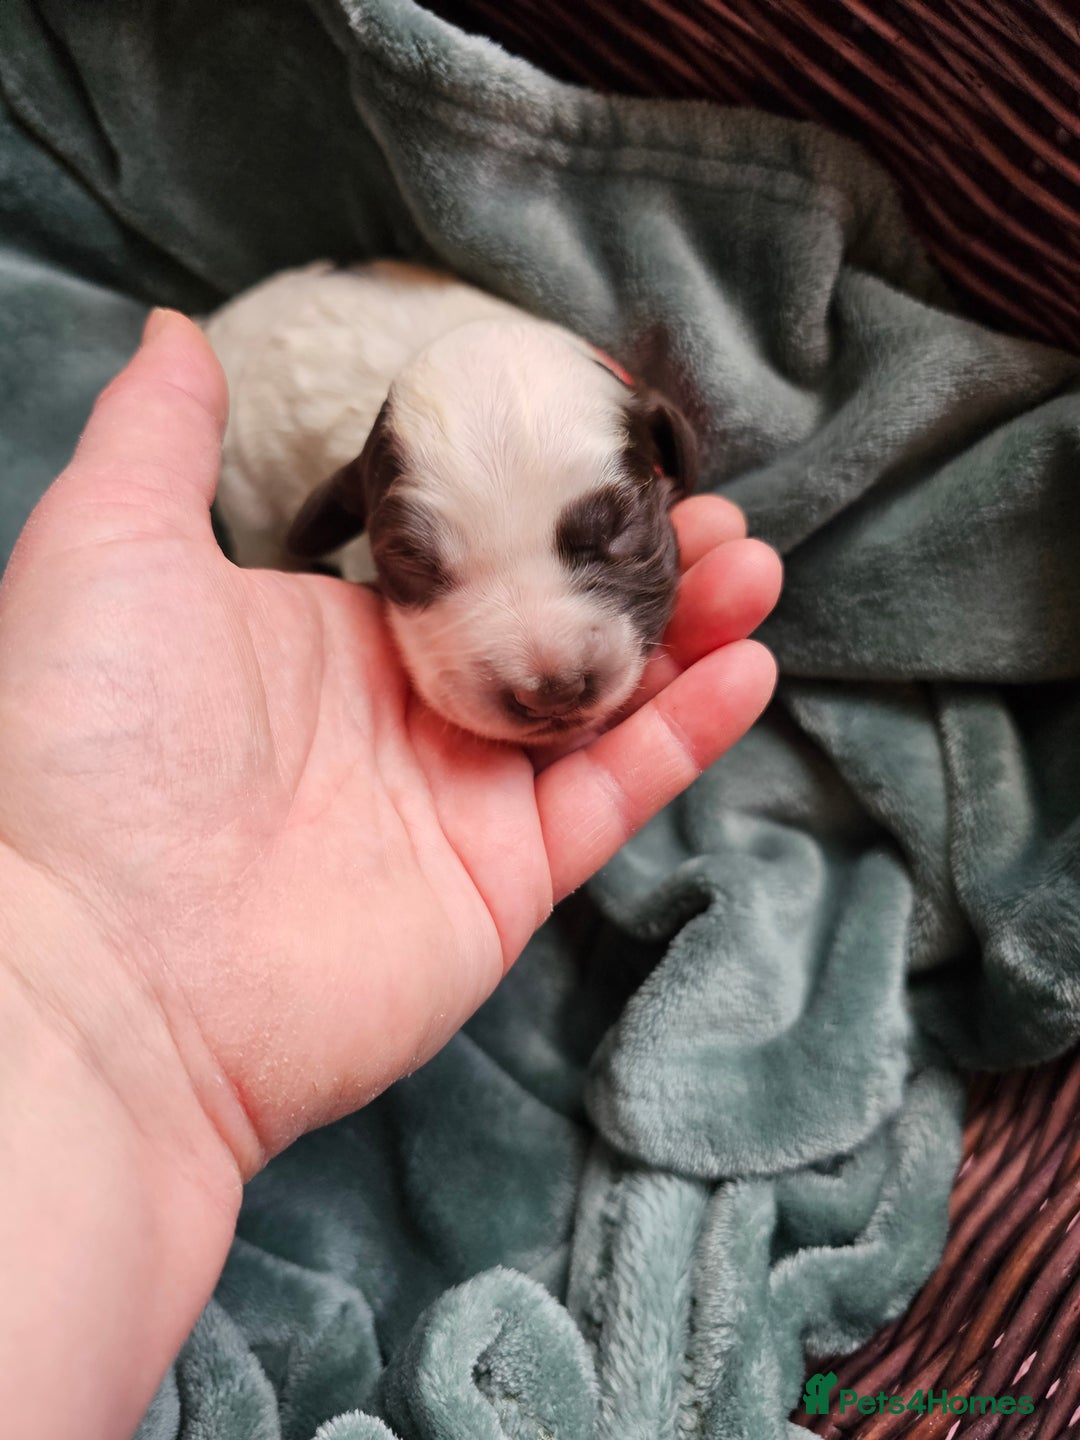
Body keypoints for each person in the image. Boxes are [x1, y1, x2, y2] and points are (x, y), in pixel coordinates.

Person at [0, 310, 782, 1438]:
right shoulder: (312, 491)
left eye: (608, 540)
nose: (547, 670)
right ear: (347, 531)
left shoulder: (550, 412)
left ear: (668, 466)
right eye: (422, 565)